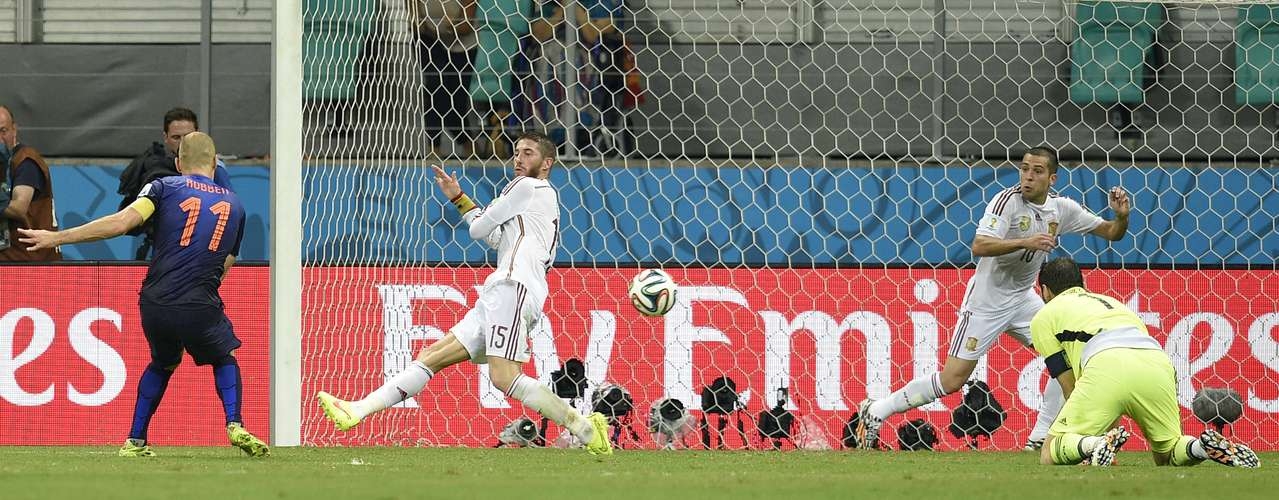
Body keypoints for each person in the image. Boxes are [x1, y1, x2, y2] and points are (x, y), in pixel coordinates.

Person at [316, 131, 613, 455]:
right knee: (431, 357)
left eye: (528, 153)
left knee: (505, 378)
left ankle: (585, 429)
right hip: (503, 292)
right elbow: (497, 239)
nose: (518, 159)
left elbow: (477, 229)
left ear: (547, 163)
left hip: (513, 289)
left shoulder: (527, 186)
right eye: (516, 152)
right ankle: (356, 411)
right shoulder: (539, 203)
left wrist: (479, 216)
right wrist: (459, 198)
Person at [856, 146, 1132, 450]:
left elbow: (1111, 232)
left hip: (1024, 299)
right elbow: (980, 245)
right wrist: (1027, 241)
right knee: (952, 380)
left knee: (1065, 357)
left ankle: (1039, 438)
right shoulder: (1006, 203)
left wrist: (1121, 217)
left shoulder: (1060, 209)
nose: (1028, 176)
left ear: (1052, 178)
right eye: (1025, 168)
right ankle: (878, 410)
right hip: (986, 302)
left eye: (1037, 171)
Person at [19, 132, 267, 458]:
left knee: (163, 362)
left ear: (178, 163)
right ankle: (234, 423)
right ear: (214, 161)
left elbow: (123, 222)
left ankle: (135, 440)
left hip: (154, 301)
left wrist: (57, 237)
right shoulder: (235, 205)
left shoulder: (163, 187)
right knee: (224, 357)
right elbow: (225, 264)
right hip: (198, 301)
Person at [1031, 257, 1258, 468]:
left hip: (1106, 363)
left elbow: (1071, 387)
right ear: (1081, 283)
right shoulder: (1114, 304)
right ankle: (1201, 447)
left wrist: (1093, 440)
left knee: (1050, 451)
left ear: (1045, 291)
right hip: (1156, 362)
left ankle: (1092, 445)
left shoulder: (1045, 315)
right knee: (1167, 454)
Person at [117, 107, 233, 260]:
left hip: (202, 256)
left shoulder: (216, 169)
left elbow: (230, 216)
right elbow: (128, 220)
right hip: (161, 254)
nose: (182, 143)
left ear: (198, 134)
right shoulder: (153, 170)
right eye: (176, 137)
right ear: (165, 137)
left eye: (188, 136)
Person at [409, 0, 478, 158]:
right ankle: (434, 148)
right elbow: (413, 14)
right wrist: (418, 22)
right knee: (435, 86)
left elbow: (467, 24)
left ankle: (467, 143)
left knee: (456, 99)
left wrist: (450, 26)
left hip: (462, 44)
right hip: (429, 39)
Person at [0, 105, 60, 261]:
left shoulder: (26, 161)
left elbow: (19, 208)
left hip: (31, 263)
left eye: (3, 131)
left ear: (14, 129)